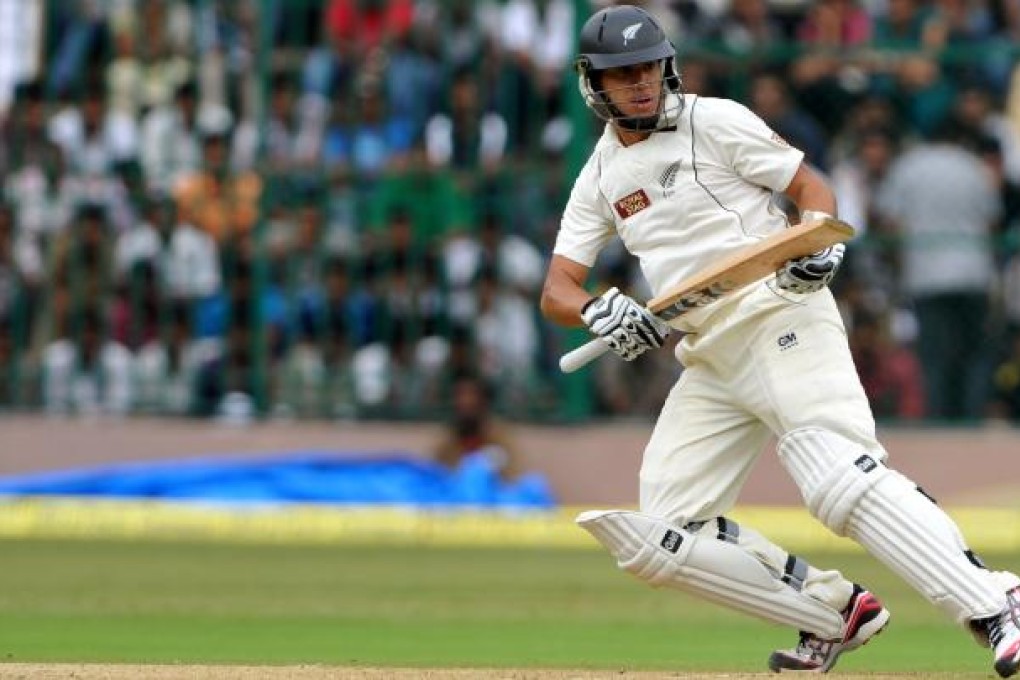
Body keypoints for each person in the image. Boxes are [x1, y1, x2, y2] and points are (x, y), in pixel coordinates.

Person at [538, 5, 1020, 676]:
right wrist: (600, 311)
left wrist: (816, 241)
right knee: (663, 536)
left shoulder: (715, 120)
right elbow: (557, 287)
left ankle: (998, 599)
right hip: (708, 353)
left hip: (778, 311)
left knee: (833, 479)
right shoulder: (598, 177)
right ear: (594, 85)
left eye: (649, 66)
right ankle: (831, 613)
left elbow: (807, 187)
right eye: (623, 74)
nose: (642, 82)